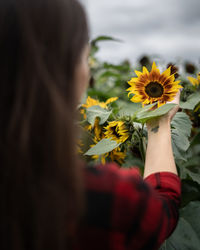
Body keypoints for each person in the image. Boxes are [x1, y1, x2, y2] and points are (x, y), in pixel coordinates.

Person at [0, 0, 181, 250]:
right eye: (85, 58)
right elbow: (163, 210)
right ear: (67, 72)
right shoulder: (100, 198)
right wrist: (159, 123)